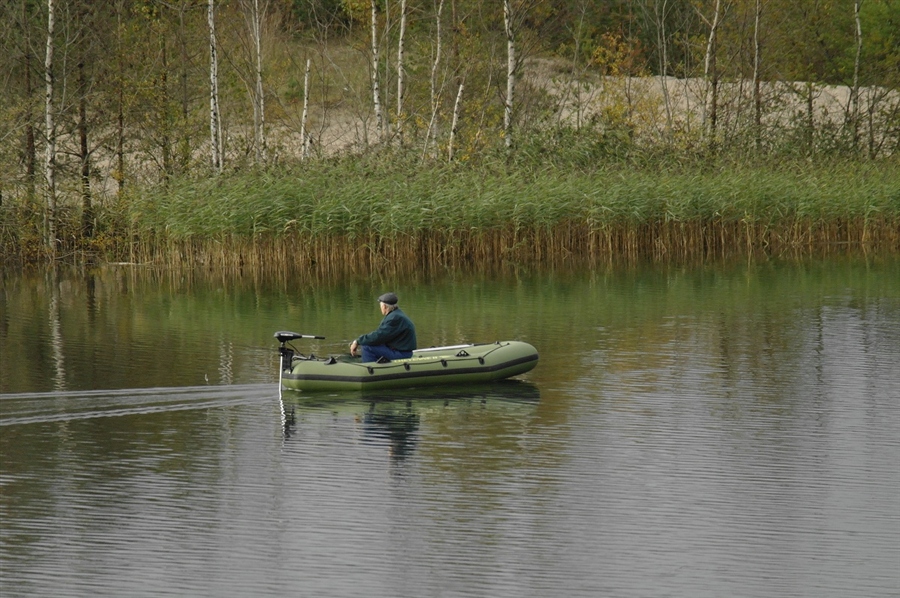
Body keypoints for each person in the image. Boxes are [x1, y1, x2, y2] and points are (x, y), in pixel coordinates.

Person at [350, 292, 417, 363]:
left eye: (380, 305)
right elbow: (381, 336)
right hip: (399, 350)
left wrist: (358, 341)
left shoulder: (394, 318)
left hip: (402, 354)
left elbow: (379, 336)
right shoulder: (396, 314)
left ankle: (370, 369)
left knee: (367, 347)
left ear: (384, 306)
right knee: (370, 343)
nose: (380, 308)